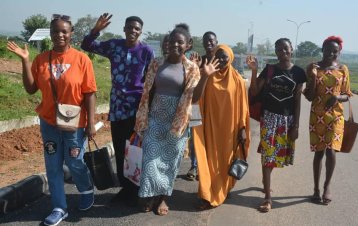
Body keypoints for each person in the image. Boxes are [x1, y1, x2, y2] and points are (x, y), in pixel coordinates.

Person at [7, 14, 96, 226]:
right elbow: (30, 89)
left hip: (75, 123)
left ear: (71, 33)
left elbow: (90, 93)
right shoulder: (41, 59)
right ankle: (59, 207)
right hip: (49, 123)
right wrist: (25, 61)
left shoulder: (82, 59)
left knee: (75, 161)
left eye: (64, 31)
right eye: (55, 31)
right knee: (53, 165)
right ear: (51, 33)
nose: (60, 35)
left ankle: (86, 189)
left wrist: (91, 123)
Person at [134, 24, 219, 216]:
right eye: (172, 41)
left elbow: (194, 98)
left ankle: (163, 197)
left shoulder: (192, 68)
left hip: (177, 121)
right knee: (150, 159)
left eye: (180, 42)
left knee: (170, 161)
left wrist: (205, 75)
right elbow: (148, 91)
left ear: (187, 45)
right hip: (155, 118)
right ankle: (149, 194)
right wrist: (143, 116)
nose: (175, 45)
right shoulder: (156, 63)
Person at [81, 13, 154, 205]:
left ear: (140, 32)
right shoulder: (114, 46)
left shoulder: (146, 51)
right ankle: (125, 188)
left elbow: (150, 80)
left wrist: (147, 108)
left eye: (137, 28)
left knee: (136, 149)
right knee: (121, 149)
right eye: (130, 27)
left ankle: (137, 187)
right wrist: (96, 30)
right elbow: (87, 45)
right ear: (124, 29)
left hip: (137, 108)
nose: (133, 31)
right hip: (117, 107)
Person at [246, 38, 306, 212]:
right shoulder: (270, 70)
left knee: (275, 157)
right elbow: (255, 91)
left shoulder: (299, 73)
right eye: (279, 50)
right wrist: (255, 71)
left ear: (291, 49)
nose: (282, 52)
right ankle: (268, 198)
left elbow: (297, 101)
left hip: (287, 121)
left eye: (285, 49)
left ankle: (266, 183)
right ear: (276, 52)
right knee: (267, 155)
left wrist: (296, 126)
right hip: (269, 118)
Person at [193, 44, 251, 209]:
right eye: (218, 56)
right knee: (208, 160)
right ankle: (206, 194)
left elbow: (243, 107)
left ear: (231, 58)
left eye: (225, 56)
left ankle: (222, 190)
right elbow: (197, 100)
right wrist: (195, 123)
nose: (222, 59)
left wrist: (242, 128)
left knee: (226, 161)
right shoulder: (208, 76)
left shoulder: (238, 80)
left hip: (229, 130)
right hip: (209, 127)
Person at [303, 36, 352, 205]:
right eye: (328, 50)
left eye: (335, 51)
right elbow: (309, 96)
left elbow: (347, 94)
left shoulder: (343, 69)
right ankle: (316, 188)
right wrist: (314, 77)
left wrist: (338, 97)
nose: (331, 54)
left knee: (331, 150)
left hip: (336, 116)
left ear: (339, 52)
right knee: (319, 153)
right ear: (322, 49)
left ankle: (327, 187)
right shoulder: (313, 68)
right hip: (317, 116)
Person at [187, 31, 219, 180]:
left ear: (216, 42)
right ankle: (194, 166)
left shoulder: (222, 61)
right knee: (195, 137)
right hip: (196, 106)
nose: (209, 43)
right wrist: (196, 67)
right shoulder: (200, 60)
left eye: (211, 41)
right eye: (206, 41)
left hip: (214, 107)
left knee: (212, 137)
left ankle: (207, 168)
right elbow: (193, 81)